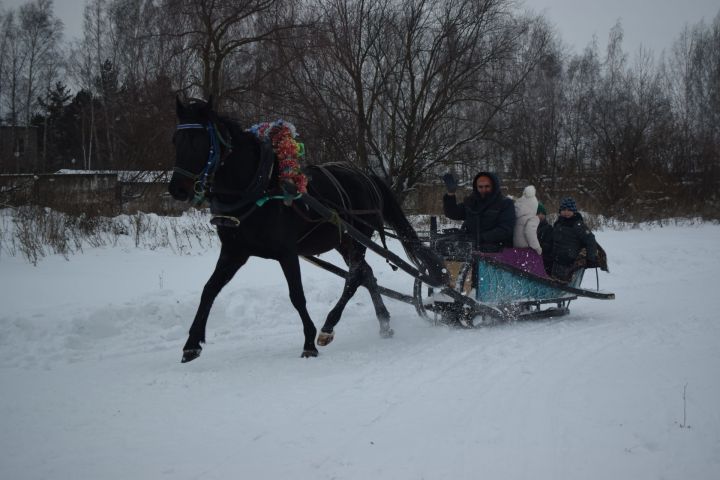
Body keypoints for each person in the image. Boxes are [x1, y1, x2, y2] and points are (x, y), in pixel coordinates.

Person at [442, 171, 515, 251]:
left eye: (487, 186)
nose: (483, 190)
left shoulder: (505, 203)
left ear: (494, 186)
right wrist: (450, 194)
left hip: (497, 251)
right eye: (480, 187)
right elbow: (452, 213)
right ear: (476, 187)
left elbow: (505, 229)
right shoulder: (471, 202)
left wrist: (480, 238)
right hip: (471, 248)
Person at [551, 197, 597, 281]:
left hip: (569, 261)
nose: (566, 212)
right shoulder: (558, 223)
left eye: (569, 210)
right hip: (556, 259)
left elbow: (590, 240)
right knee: (554, 280)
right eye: (564, 209)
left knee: (563, 281)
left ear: (574, 211)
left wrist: (591, 258)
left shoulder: (578, 224)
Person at [513, 185, 542, 255]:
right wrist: (537, 247)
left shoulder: (517, 214)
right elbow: (529, 232)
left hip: (515, 246)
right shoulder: (532, 218)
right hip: (526, 249)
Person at [535, 202, 554, 274]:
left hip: (544, 260)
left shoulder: (548, 228)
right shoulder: (530, 227)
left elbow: (549, 246)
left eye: (542, 214)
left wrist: (538, 245)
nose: (540, 216)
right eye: (538, 213)